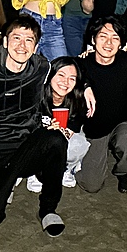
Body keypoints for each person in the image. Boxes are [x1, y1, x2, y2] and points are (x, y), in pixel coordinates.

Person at [0, 16, 78, 236]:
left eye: (29, 40)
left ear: (35, 47)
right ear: (5, 41)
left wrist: (88, 86)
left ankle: (48, 209)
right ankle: (7, 181)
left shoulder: (41, 67)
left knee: (56, 139)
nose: (22, 45)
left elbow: (71, 70)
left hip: (27, 146)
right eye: (16, 38)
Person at [75, 15, 127, 194]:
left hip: (123, 122)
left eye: (115, 38)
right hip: (95, 129)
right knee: (91, 185)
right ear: (93, 40)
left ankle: (125, 171)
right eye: (103, 36)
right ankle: (77, 160)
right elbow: (60, 70)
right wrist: (85, 85)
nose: (108, 43)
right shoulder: (82, 65)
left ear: (121, 43)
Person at [24, 56, 91, 192]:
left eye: (72, 78)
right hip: (35, 142)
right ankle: (34, 171)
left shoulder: (78, 100)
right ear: (50, 75)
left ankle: (67, 168)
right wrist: (46, 132)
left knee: (79, 143)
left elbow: (70, 133)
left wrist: (59, 132)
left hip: (63, 137)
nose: (65, 82)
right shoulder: (36, 95)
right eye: (61, 75)